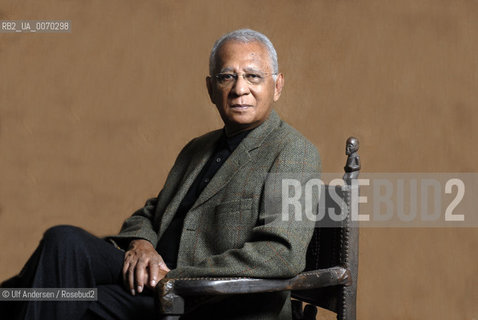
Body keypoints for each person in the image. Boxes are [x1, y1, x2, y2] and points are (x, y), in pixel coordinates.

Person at [1, 29, 320, 320]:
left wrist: (176, 277)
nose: (239, 89)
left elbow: (280, 255)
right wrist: (142, 245)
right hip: (153, 277)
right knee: (63, 240)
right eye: (227, 77)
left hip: (209, 299)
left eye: (253, 76)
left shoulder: (293, 151)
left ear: (277, 86)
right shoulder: (198, 148)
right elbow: (152, 213)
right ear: (211, 88)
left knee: (59, 297)